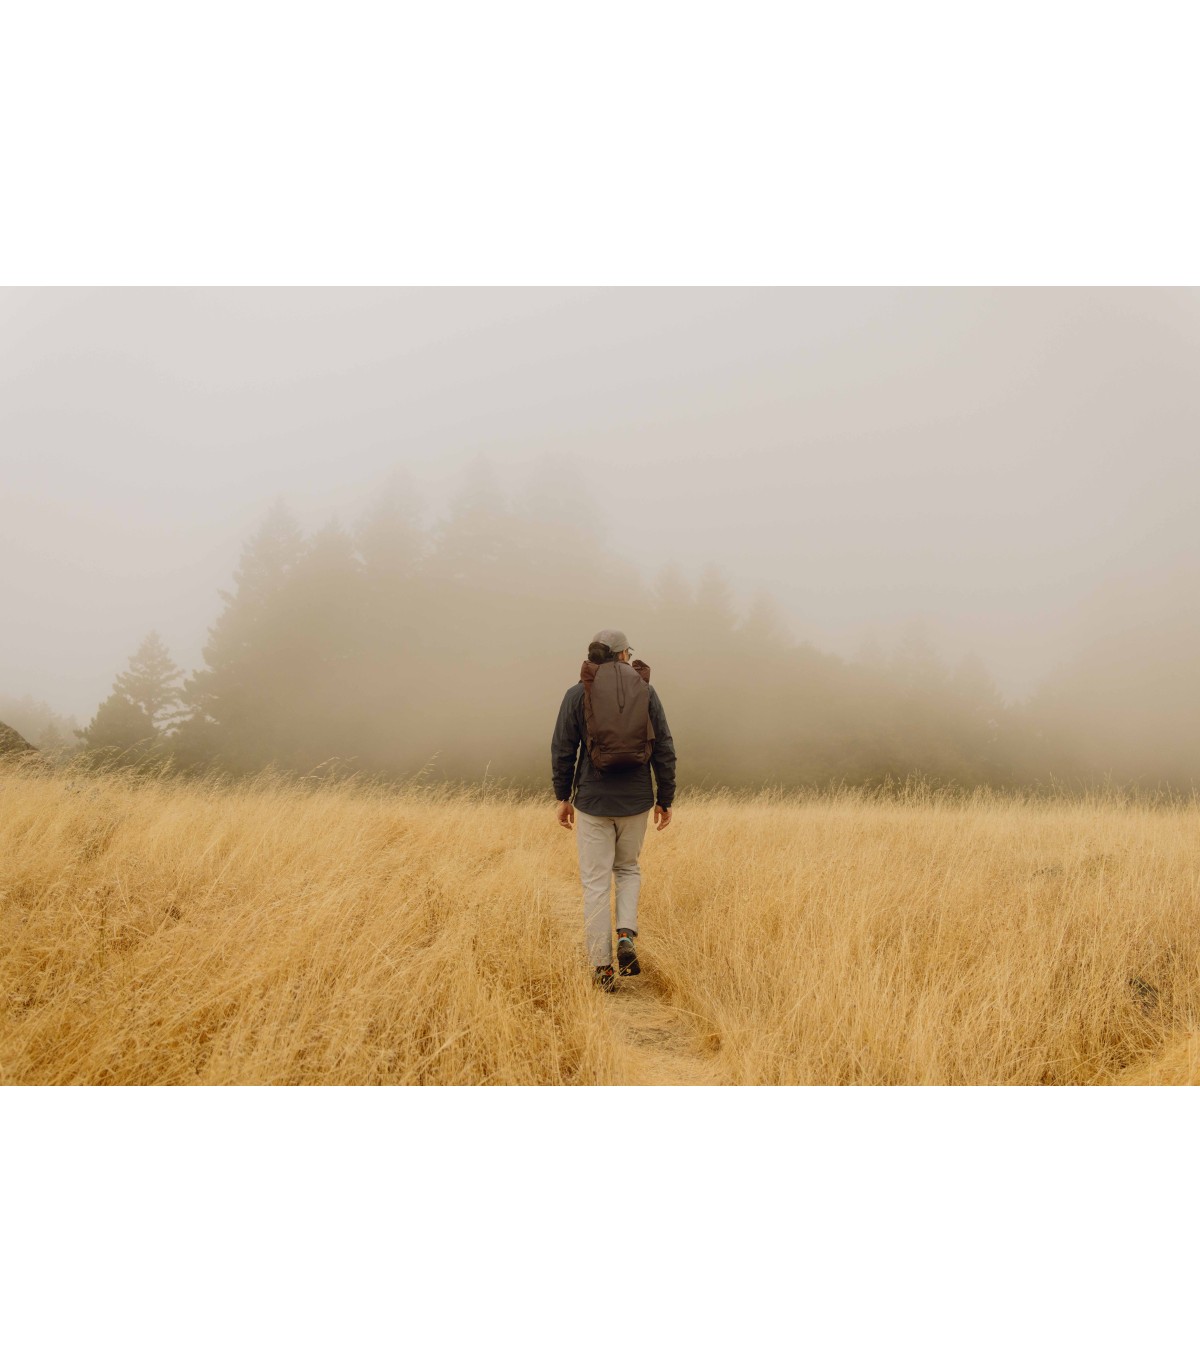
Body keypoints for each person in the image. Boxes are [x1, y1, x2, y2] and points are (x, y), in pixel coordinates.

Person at [551, 629, 676, 992]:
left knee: (595, 882)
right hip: (636, 801)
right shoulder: (646, 691)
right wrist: (665, 797)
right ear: (623, 655)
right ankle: (625, 934)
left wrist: (563, 796)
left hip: (593, 802)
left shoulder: (577, 693)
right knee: (627, 869)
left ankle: (602, 968)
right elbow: (664, 746)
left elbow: (563, 749)